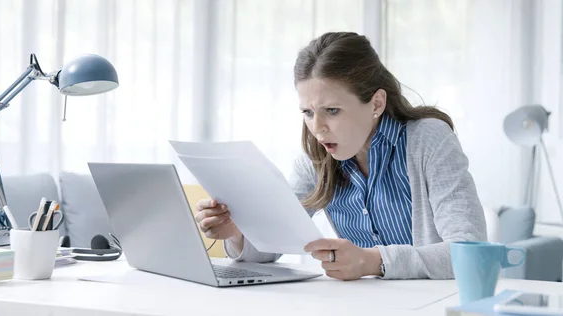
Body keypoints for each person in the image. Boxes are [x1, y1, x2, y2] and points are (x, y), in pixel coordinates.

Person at [194, 32, 487, 280]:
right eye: (308, 112)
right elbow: (274, 241)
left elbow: (469, 251)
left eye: (332, 110)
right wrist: (237, 232)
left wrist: (372, 261)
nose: (317, 128)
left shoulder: (428, 140)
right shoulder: (315, 159)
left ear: (376, 103)